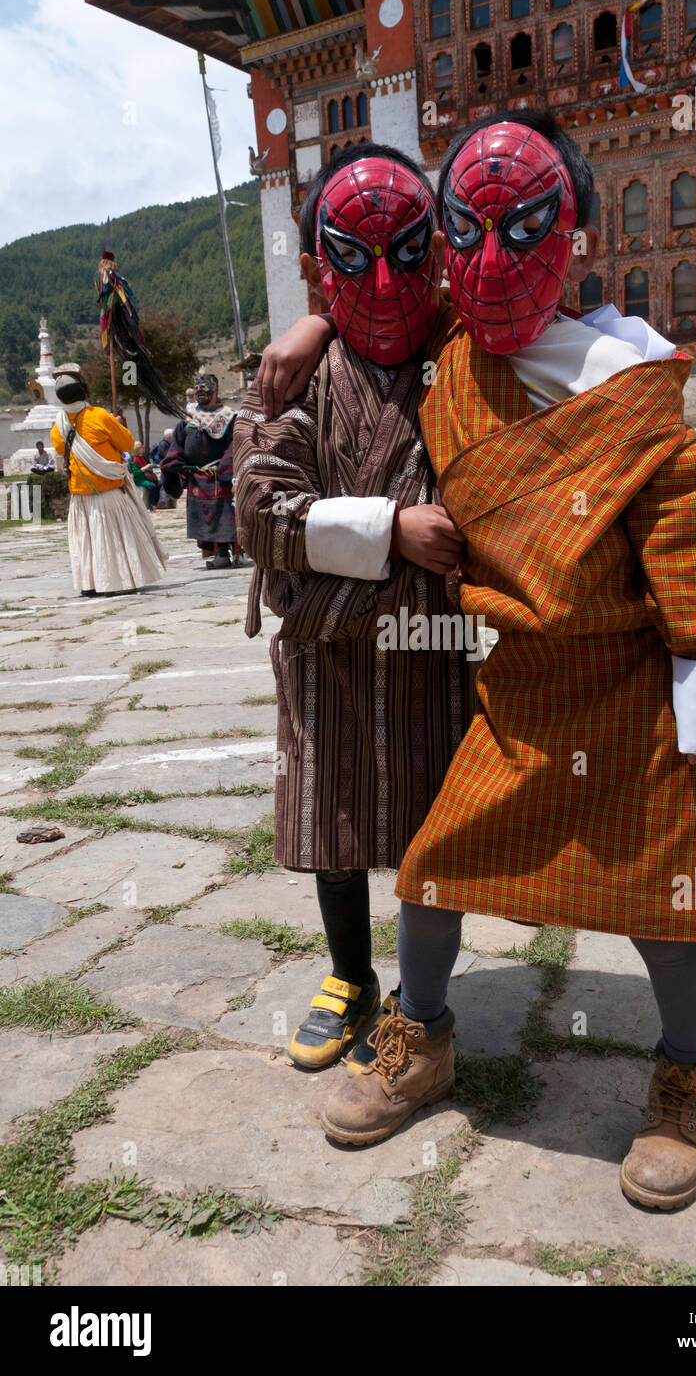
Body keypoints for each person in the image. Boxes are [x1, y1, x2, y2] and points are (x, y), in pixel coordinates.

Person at [257, 111, 696, 1212]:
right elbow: (389, 296)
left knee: (662, 898)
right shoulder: (460, 354)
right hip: (524, 682)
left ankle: (689, 1076)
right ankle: (425, 1034)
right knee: (435, 862)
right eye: (467, 230)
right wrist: (315, 319)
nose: (492, 259)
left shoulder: (626, 378)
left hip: (637, 681)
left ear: (579, 237)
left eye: (525, 227)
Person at [233, 145, 473, 1071]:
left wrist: (332, 568)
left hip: (426, 647)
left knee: (426, 816)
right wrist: (393, 533)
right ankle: (349, 973)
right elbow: (262, 511)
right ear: (317, 266)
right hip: (329, 655)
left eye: (407, 252)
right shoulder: (289, 383)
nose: (384, 280)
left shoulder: (460, 364)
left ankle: (421, 998)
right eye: (354, 257)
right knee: (332, 810)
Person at [49, 364, 168, 596]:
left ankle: (91, 583)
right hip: (108, 494)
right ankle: (117, 581)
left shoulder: (58, 427)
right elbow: (126, 445)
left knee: (87, 544)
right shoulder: (99, 416)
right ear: (84, 392)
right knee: (113, 541)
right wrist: (116, 424)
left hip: (80, 497)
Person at [161, 374, 237, 567]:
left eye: (205, 387)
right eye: (197, 388)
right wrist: (173, 462)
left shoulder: (229, 417)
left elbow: (235, 444)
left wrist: (226, 467)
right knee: (205, 519)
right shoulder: (188, 420)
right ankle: (215, 552)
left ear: (216, 389)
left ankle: (224, 554)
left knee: (223, 518)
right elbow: (177, 444)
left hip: (219, 477)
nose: (200, 391)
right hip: (196, 478)